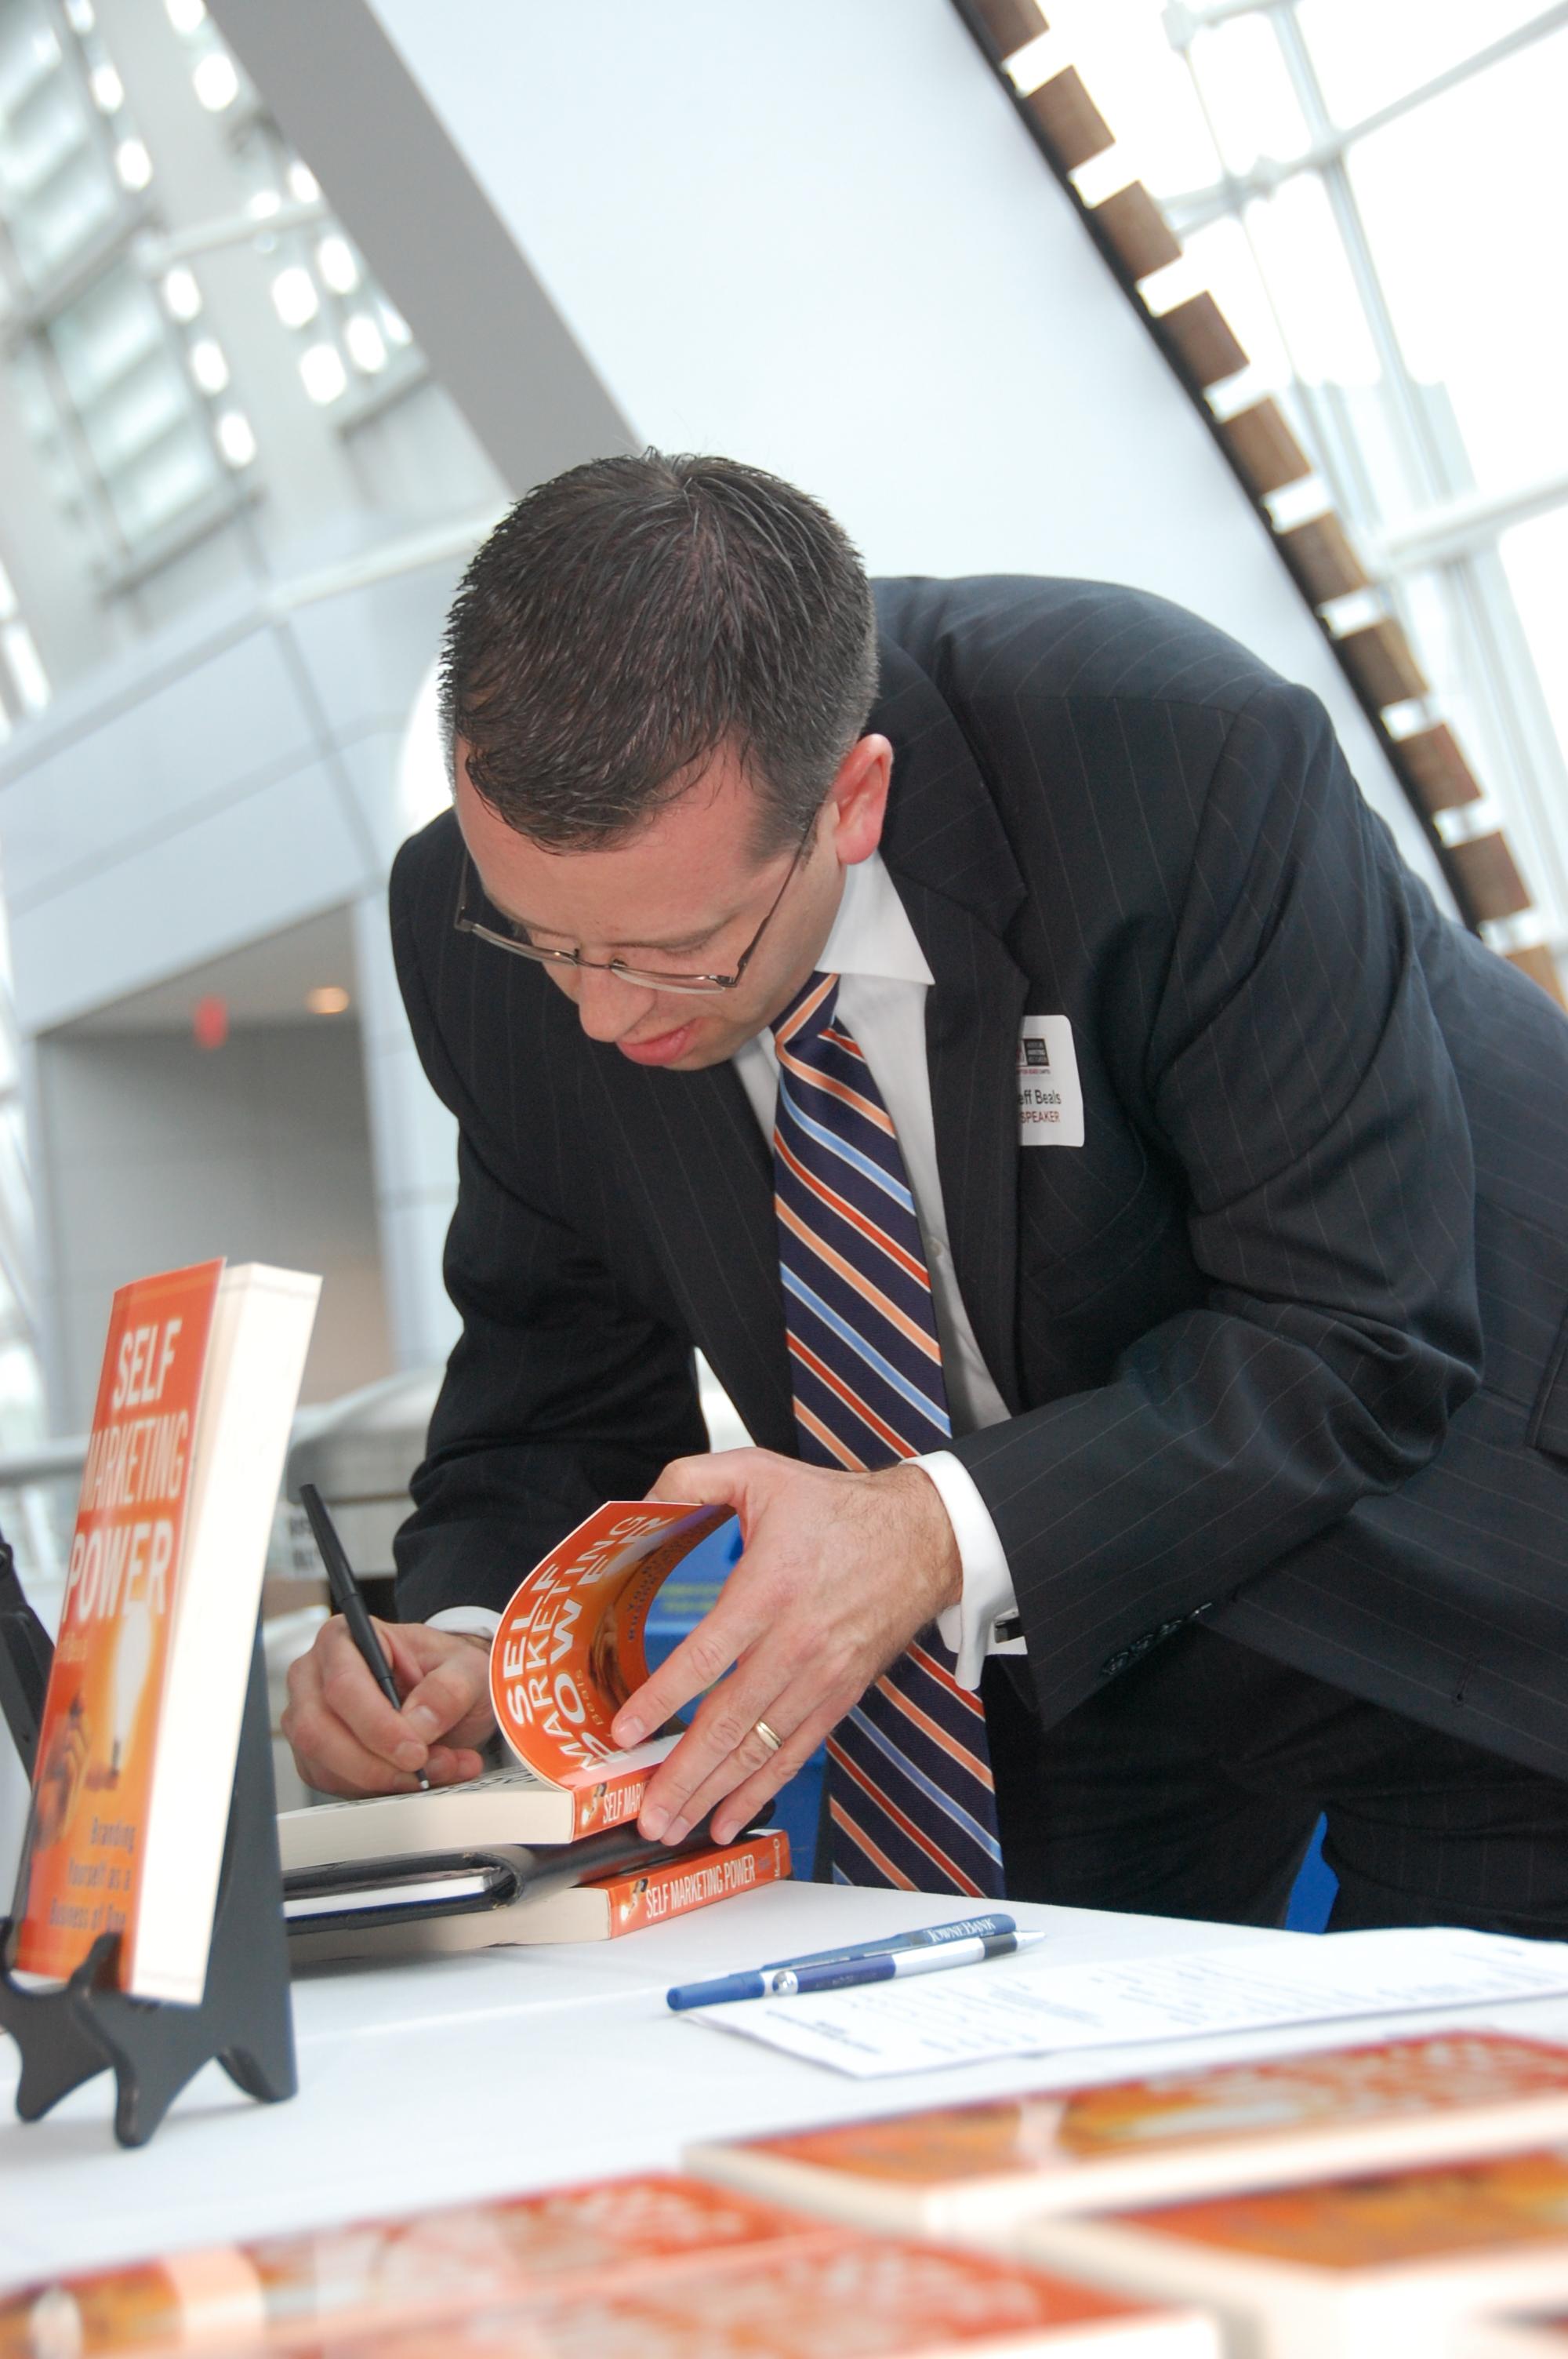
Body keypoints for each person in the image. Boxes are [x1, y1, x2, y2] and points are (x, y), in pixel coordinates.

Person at [283, 451, 1568, 1932]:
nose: (595, 1016)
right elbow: (551, 1397)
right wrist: (464, 1653)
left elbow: (1358, 1331)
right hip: (1061, 1620)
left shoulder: (1178, 754)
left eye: (672, 950)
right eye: (545, 940)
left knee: (1431, 2137)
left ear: (854, 800)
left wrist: (913, 1533)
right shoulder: (471, 927)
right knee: (1036, 2112)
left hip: (1457, 1558)